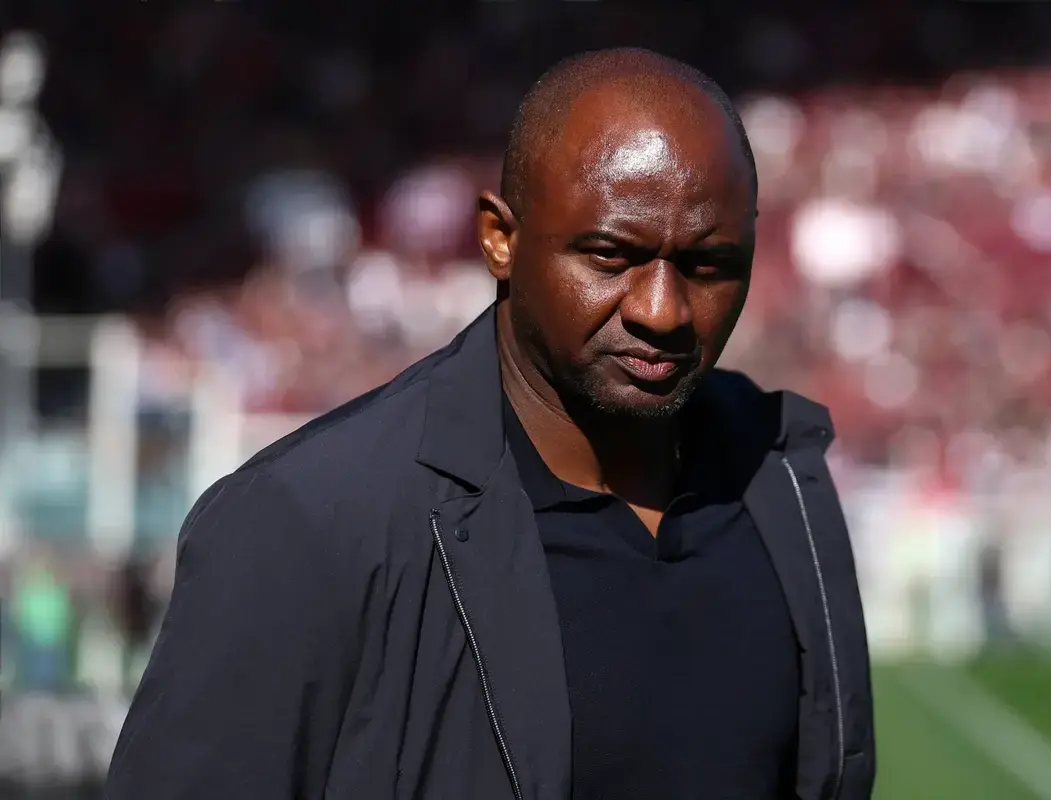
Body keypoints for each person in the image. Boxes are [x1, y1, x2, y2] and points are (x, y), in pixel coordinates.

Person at [104, 48, 875, 800]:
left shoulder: (783, 483)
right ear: (500, 240)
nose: (662, 310)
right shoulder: (303, 525)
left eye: (708, 266)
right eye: (611, 256)